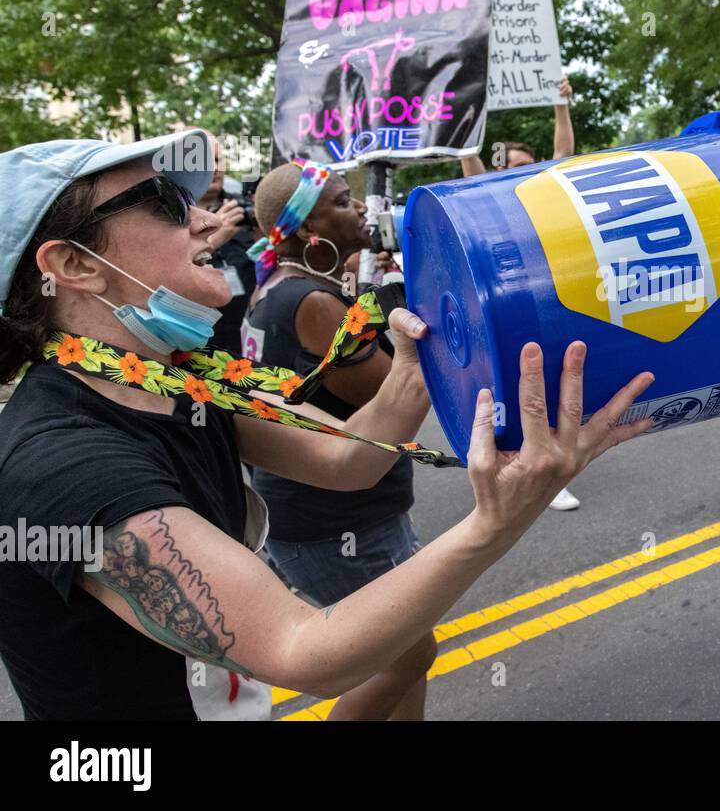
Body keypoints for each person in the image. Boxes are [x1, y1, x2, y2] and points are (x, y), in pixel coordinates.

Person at [0, 131, 654, 720]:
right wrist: (495, 521)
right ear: (75, 266)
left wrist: (414, 367)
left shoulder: (171, 377)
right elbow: (304, 648)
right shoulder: (62, 462)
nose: (208, 219)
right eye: (169, 203)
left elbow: (348, 461)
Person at [240, 161, 431, 720]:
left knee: (400, 659)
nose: (361, 210)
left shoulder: (278, 289)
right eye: (345, 202)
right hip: (338, 519)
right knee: (407, 654)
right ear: (306, 229)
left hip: (334, 507)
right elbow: (398, 390)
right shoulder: (312, 304)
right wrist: (395, 299)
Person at [461, 77, 581, 511]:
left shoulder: (541, 197)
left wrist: (560, 105)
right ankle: (514, 473)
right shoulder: (483, 201)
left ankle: (545, 470)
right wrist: (461, 125)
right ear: (497, 170)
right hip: (504, 311)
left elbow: (563, 154)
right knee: (510, 390)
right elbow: (469, 163)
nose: (525, 170)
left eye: (529, 163)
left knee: (547, 383)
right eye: (515, 164)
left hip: (546, 305)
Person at [196, 145, 258, 355]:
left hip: (252, 337)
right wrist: (210, 242)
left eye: (217, 159)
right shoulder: (168, 217)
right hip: (203, 346)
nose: (214, 167)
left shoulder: (245, 208)